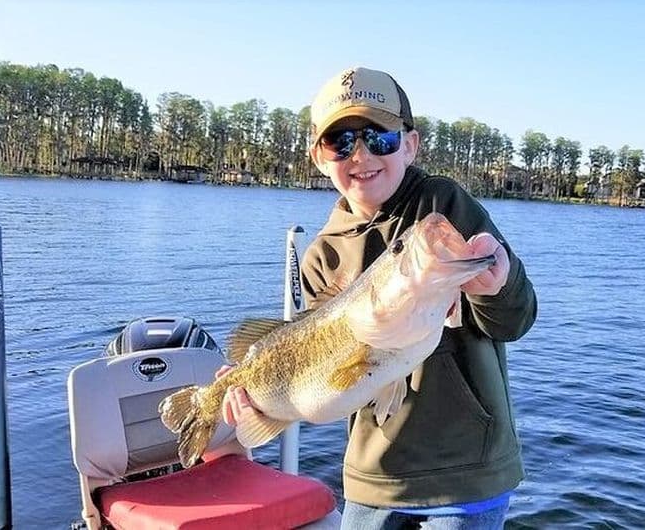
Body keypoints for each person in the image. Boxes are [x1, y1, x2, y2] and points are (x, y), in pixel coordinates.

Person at [221, 66, 537, 529]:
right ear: (318, 156)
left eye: (379, 137)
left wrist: (499, 285)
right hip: (371, 479)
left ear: (410, 144)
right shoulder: (322, 255)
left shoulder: (443, 206)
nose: (361, 154)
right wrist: (256, 397)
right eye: (341, 142)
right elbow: (326, 382)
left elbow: (515, 320)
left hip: (466, 476)